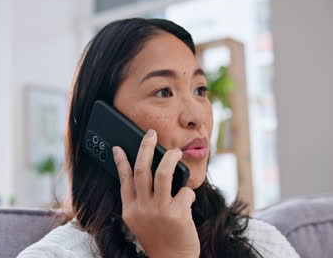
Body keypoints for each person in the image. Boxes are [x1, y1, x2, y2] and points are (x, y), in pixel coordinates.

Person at [17, 18, 299, 258]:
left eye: (200, 90)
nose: (196, 116)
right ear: (103, 123)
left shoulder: (261, 241)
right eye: (164, 92)